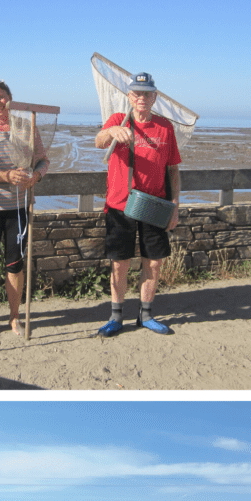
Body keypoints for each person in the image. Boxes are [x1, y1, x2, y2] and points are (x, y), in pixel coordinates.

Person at [95, 72, 181, 336]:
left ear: (155, 97)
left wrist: (175, 206)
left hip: (154, 205)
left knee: (153, 262)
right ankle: (116, 317)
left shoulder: (165, 127)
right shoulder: (117, 120)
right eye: (136, 93)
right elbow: (98, 143)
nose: (141, 98)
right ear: (129, 97)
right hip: (120, 205)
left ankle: (145, 316)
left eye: (146, 93)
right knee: (120, 263)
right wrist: (111, 131)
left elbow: (174, 171)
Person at [0, 80, 48, 337]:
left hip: (19, 208)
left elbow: (43, 160)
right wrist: (4, 176)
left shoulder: (27, 127)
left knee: (15, 264)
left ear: (10, 98)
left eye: (1, 97)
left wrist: (35, 177)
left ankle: (15, 318)